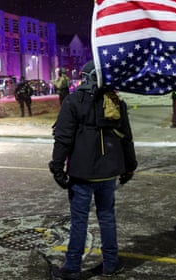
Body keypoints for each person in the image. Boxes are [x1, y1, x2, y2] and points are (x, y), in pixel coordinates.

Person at [49, 61, 137, 279]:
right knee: (106, 216)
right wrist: (129, 166)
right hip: (109, 172)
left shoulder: (73, 101)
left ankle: (72, 267)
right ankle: (110, 263)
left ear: (86, 77)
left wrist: (57, 166)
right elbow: (126, 137)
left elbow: (63, 137)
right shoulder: (114, 101)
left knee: (79, 220)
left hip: (83, 173)